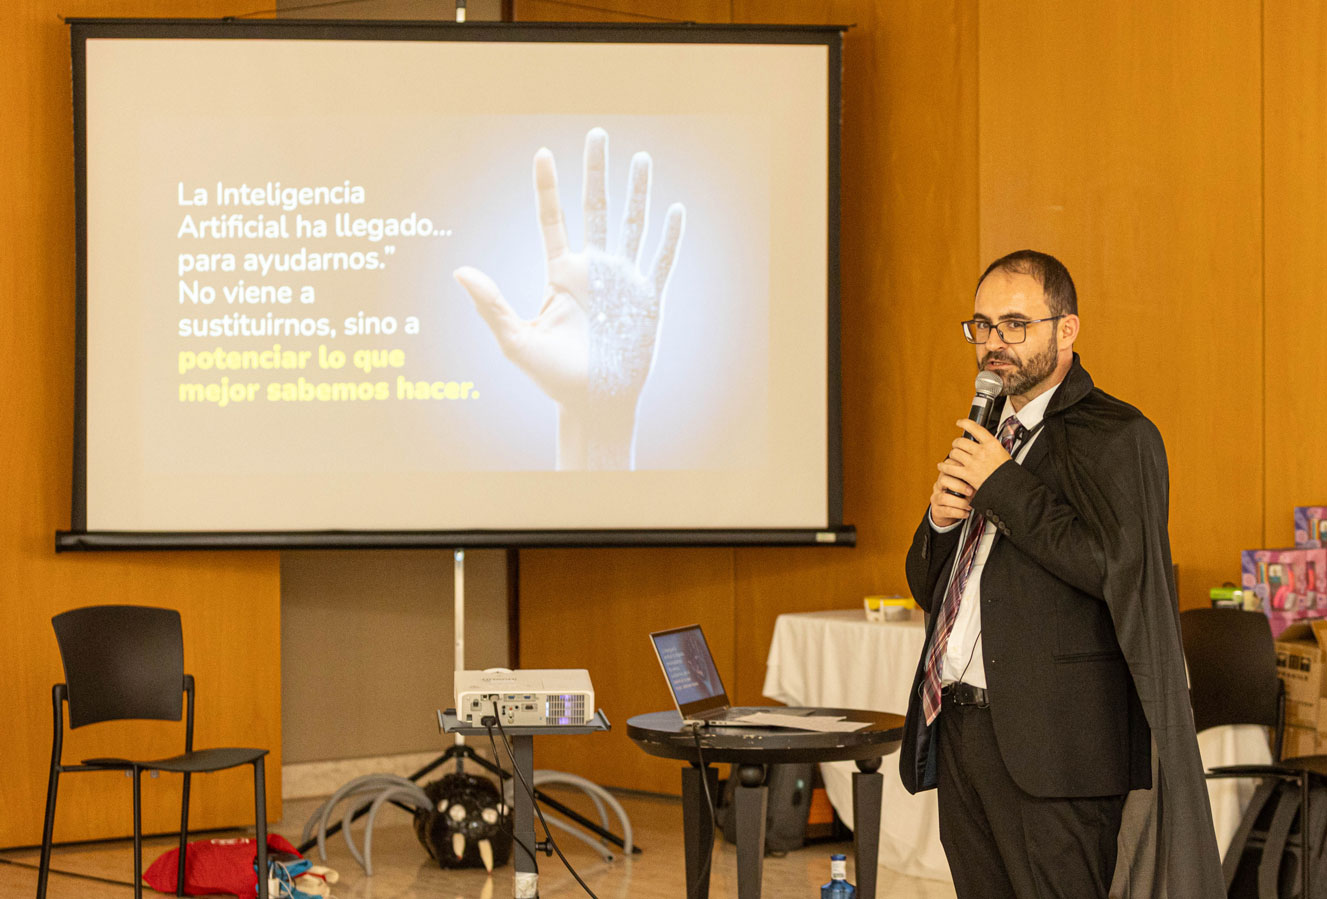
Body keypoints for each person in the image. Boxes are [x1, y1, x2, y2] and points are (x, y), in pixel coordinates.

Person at [898, 250, 1222, 898]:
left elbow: (1114, 569)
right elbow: (930, 588)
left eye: (1014, 324)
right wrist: (938, 522)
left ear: (1066, 329)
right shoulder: (989, 432)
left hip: (1057, 751)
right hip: (963, 728)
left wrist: (1002, 485)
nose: (993, 343)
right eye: (982, 325)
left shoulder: (1120, 435)